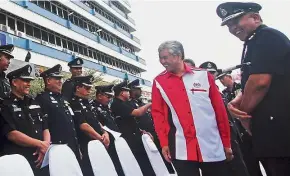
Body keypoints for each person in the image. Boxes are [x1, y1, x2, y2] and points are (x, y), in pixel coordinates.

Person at [217, 2, 290, 175]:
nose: (233, 28)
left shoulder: (267, 37)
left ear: (255, 18)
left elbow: (259, 82)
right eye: (229, 25)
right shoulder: (253, 42)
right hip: (271, 131)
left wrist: (243, 114)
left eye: (236, 21)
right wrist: (236, 102)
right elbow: (251, 81)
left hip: (281, 129)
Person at [151, 41, 232, 176]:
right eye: (160, 58)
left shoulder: (204, 76)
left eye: (165, 57)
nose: (162, 61)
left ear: (178, 56)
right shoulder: (159, 82)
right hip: (180, 147)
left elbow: (219, 111)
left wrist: (226, 142)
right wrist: (164, 143)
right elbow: (158, 115)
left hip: (212, 145)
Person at [200, 61, 249, 176]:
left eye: (212, 73)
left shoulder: (219, 93)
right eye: (206, 73)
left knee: (241, 169)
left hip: (233, 137)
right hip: (216, 142)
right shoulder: (201, 95)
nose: (210, 76)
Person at [0, 65, 50, 176]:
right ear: (14, 82)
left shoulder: (34, 102)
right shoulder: (5, 105)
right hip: (20, 162)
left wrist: (44, 147)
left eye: (29, 81)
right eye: (25, 81)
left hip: (41, 158)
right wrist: (41, 144)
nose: (29, 84)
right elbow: (11, 134)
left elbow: (45, 127)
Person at [127, 79, 175, 174]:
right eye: (137, 89)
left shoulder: (140, 102)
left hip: (154, 134)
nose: (140, 91)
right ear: (131, 90)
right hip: (146, 136)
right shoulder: (129, 104)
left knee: (165, 158)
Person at [35, 64, 81, 162]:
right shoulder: (42, 99)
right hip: (57, 148)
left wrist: (77, 148)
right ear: (48, 81)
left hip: (72, 146)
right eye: (57, 79)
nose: (60, 81)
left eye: (60, 78)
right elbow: (43, 125)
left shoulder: (63, 99)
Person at [110, 80, 156, 176]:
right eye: (127, 91)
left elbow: (129, 121)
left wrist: (141, 131)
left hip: (135, 136)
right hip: (129, 140)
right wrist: (151, 103)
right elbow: (138, 113)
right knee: (138, 165)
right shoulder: (117, 104)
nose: (129, 93)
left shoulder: (124, 103)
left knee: (145, 164)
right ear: (122, 93)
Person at [69, 75, 110, 176]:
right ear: (78, 88)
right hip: (87, 145)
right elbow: (83, 125)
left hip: (99, 142)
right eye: (87, 88)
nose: (89, 90)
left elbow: (96, 121)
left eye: (90, 88)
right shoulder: (73, 103)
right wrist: (100, 138)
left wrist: (105, 133)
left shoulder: (87, 103)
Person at [91, 84, 125, 176]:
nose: (110, 99)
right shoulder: (92, 107)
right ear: (99, 96)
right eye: (108, 96)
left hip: (115, 142)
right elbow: (97, 124)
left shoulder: (106, 108)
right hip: (105, 143)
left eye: (111, 97)